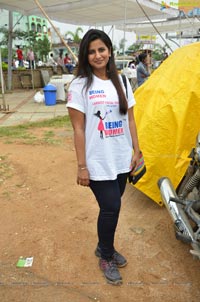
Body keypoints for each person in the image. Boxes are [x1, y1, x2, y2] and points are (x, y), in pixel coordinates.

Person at [67, 29, 141, 285]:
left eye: (102, 49)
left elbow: (130, 119)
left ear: (110, 51)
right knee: (112, 206)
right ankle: (106, 256)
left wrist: (136, 151)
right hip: (97, 160)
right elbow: (78, 128)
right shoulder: (80, 85)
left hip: (121, 157)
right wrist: (81, 166)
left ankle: (103, 246)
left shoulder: (122, 82)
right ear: (85, 56)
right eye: (91, 51)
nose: (97, 55)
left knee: (111, 206)